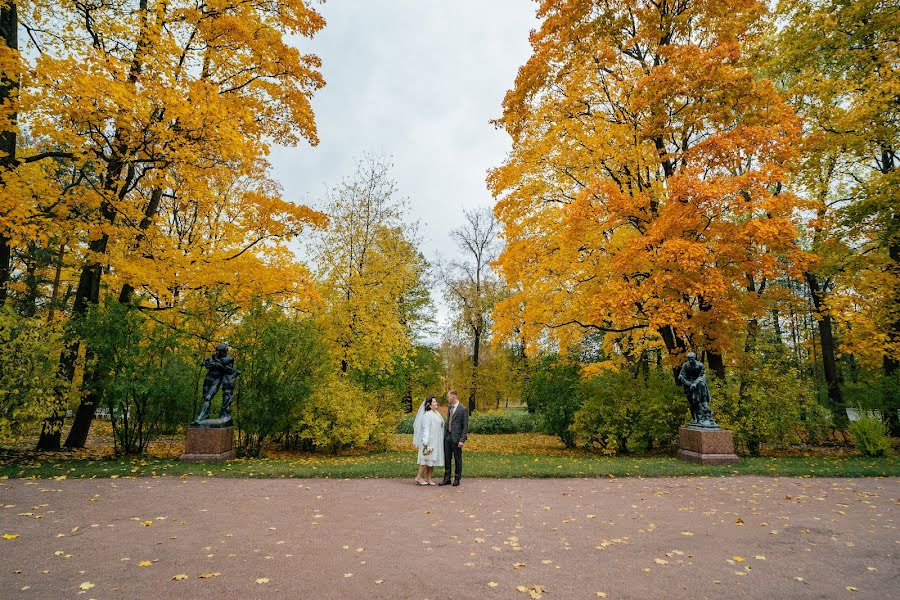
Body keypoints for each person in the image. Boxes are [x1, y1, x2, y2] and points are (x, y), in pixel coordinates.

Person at [194, 342, 240, 424]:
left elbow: (230, 371)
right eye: (219, 351)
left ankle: (200, 417)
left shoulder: (229, 359)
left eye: (221, 351)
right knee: (205, 397)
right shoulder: (214, 357)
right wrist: (205, 363)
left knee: (208, 397)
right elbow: (204, 363)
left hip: (217, 379)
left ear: (225, 351)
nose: (219, 353)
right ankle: (205, 415)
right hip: (208, 378)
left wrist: (218, 366)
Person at [677, 352, 717, 428]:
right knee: (692, 403)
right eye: (689, 359)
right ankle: (695, 418)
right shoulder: (685, 365)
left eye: (692, 359)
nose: (690, 361)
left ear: (694, 358)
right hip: (688, 385)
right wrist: (686, 382)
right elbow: (682, 375)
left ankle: (703, 419)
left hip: (698, 385)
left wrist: (695, 383)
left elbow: (702, 375)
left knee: (700, 402)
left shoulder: (700, 365)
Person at [412, 396, 445, 485]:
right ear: (429, 405)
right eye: (434, 402)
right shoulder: (427, 415)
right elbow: (426, 428)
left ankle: (429, 478)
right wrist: (425, 441)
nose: (436, 403)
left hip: (436, 440)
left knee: (431, 461)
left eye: (436, 402)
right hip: (428, 441)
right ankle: (418, 477)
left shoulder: (437, 413)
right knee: (425, 460)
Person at [439, 390, 468, 487]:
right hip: (448, 437)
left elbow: (465, 426)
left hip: (457, 439)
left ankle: (457, 478)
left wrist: (462, 440)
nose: (447, 398)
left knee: (457, 459)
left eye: (448, 397)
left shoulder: (463, 409)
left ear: (453, 397)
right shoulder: (449, 408)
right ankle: (447, 478)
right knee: (447, 458)